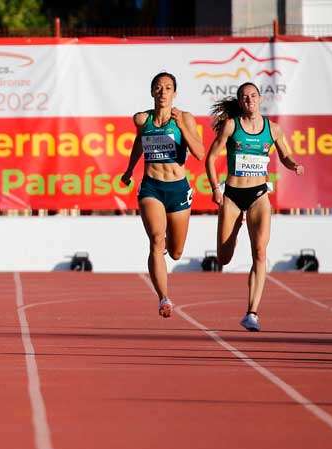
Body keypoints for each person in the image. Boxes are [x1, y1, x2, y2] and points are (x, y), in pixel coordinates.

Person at [205, 82, 303, 332]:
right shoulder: (231, 126)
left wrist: (293, 165)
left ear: (260, 99)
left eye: (252, 96)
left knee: (260, 252)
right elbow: (211, 158)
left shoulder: (274, 129)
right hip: (233, 195)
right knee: (223, 258)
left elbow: (284, 155)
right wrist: (216, 188)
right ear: (240, 102)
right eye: (244, 97)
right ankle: (236, 225)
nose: (249, 100)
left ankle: (252, 312)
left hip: (259, 193)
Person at [122, 72, 205, 318]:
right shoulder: (141, 119)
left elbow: (200, 153)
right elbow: (139, 142)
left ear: (174, 93)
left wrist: (181, 127)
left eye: (168, 88)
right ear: (152, 92)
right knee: (157, 240)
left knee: (176, 252)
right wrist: (129, 170)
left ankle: (168, 251)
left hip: (178, 188)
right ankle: (163, 298)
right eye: (158, 88)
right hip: (152, 187)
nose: (162, 92)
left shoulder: (186, 118)